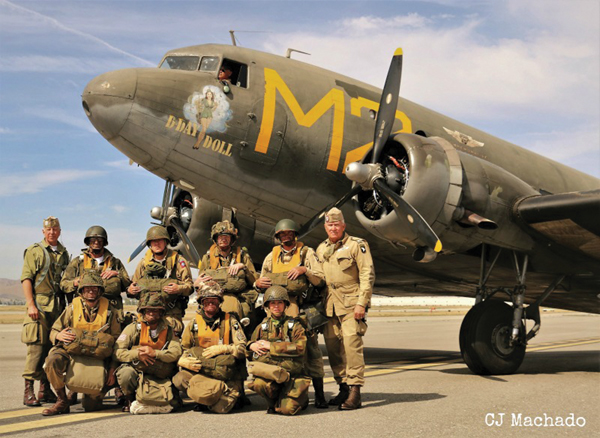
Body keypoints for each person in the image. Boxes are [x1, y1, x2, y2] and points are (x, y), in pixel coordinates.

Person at [254, 219, 328, 408]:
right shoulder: (272, 256)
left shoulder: (306, 253)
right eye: (282, 234)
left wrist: (305, 270)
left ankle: (319, 394)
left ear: (295, 235)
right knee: (274, 348)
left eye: (289, 233)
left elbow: (321, 280)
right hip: (275, 309)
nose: (285, 236)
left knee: (311, 351)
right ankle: (279, 391)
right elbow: (262, 279)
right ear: (278, 237)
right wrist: (257, 284)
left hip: (299, 308)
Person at [315, 207, 375, 410]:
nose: (333, 228)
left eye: (336, 224)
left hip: (351, 304)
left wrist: (362, 302)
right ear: (325, 227)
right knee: (332, 349)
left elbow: (367, 274)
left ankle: (355, 391)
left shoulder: (357, 245)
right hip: (329, 305)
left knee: (352, 348)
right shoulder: (321, 248)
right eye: (329, 225)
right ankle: (343, 388)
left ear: (343, 225)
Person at [42, 270, 121, 416]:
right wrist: (58, 334)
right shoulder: (72, 308)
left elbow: (116, 343)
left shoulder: (111, 311)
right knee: (52, 361)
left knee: (91, 407)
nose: (91, 291)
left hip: (96, 357)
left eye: (94, 288)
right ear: (81, 291)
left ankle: (100, 391)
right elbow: (54, 330)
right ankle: (62, 400)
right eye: (87, 288)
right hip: (71, 351)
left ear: (100, 290)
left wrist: (112, 369)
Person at [173, 281, 246, 413]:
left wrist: (227, 348)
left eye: (214, 301)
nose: (211, 303)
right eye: (207, 301)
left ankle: (225, 392)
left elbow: (243, 348)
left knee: (221, 408)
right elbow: (183, 347)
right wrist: (182, 359)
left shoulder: (231, 321)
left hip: (226, 374)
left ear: (220, 302)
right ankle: (205, 398)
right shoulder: (194, 323)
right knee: (179, 379)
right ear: (201, 303)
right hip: (203, 371)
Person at [21, 216, 69, 407]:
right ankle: (28, 391)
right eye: (48, 230)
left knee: (52, 349)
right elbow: (26, 279)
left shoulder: (64, 253)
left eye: (55, 229)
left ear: (59, 231)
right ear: (43, 232)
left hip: (57, 307)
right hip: (39, 307)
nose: (52, 232)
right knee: (36, 349)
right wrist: (30, 304)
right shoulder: (35, 251)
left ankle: (45, 390)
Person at [114, 294, 183, 414]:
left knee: (174, 404)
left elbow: (176, 352)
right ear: (143, 311)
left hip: (160, 372)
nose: (152, 313)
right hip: (138, 370)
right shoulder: (133, 328)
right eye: (148, 310)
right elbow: (118, 352)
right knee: (125, 374)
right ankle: (129, 398)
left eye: (156, 310)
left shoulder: (169, 330)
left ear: (161, 312)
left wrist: (155, 353)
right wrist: (137, 354)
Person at [247, 286, 310, 415]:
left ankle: (300, 399)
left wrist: (272, 347)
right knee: (259, 383)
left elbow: (300, 347)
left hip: (291, 374)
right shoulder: (262, 327)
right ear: (267, 306)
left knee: (288, 410)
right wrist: (251, 346)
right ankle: (273, 402)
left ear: (285, 305)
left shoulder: (295, 326)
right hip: (272, 374)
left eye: (280, 302)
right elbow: (248, 351)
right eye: (273, 303)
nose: (276, 306)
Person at [127, 225, 193, 336]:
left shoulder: (178, 261)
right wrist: (131, 290)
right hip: (148, 313)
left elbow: (190, 287)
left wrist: (179, 288)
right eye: (153, 241)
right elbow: (133, 286)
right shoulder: (143, 263)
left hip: (171, 312)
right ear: (149, 244)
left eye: (160, 240)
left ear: (166, 241)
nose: (156, 244)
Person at [61, 226, 131, 323]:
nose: (96, 242)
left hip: (110, 314)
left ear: (104, 242)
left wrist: (117, 274)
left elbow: (128, 286)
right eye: (93, 240)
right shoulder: (77, 262)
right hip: (83, 313)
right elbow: (63, 284)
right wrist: (75, 282)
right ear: (88, 242)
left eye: (100, 240)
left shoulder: (115, 262)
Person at [194, 220, 258, 325]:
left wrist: (243, 267)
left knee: (246, 312)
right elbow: (201, 280)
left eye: (227, 236)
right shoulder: (207, 258)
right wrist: (196, 284)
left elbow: (254, 281)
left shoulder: (242, 256)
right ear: (215, 239)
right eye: (220, 236)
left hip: (239, 295)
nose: (223, 239)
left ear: (232, 239)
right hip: (213, 296)